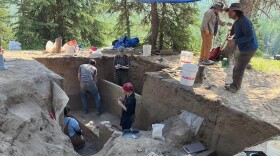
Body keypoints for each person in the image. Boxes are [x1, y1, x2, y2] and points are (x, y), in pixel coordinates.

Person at [225, 3, 258, 93]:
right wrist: (231, 37)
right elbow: (235, 33)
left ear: (236, 12)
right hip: (244, 48)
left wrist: (235, 41)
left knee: (239, 68)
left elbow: (249, 36)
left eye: (231, 11)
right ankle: (234, 84)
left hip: (249, 48)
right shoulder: (237, 22)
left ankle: (235, 87)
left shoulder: (244, 21)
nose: (229, 13)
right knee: (237, 67)